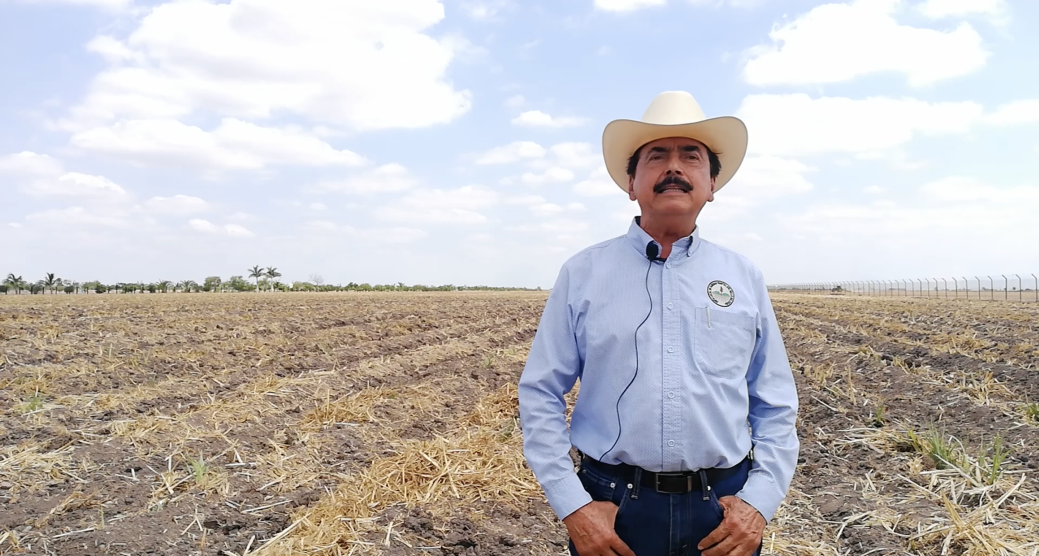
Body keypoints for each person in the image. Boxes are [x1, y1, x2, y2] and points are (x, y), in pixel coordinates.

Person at [517, 91, 800, 556]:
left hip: (722, 511)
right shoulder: (583, 273)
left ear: (712, 184)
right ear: (631, 183)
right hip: (611, 507)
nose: (674, 167)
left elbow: (774, 402)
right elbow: (540, 391)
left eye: (690, 156)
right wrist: (572, 505)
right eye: (656, 156)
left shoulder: (742, 276)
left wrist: (759, 503)